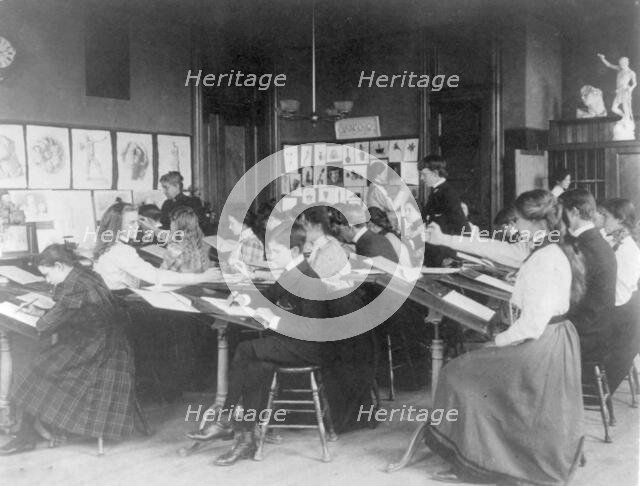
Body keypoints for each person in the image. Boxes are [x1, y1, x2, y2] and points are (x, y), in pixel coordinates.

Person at [423, 189, 586, 484]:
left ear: (537, 225)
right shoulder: (543, 247)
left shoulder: (545, 259)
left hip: (539, 347)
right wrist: (443, 239)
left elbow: (532, 325)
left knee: (457, 373)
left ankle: (473, 460)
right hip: (550, 344)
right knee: (467, 371)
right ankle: (478, 450)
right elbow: (493, 249)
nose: (514, 230)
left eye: (518, 223)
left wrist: (496, 342)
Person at [197, 223, 330, 466]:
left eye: (276, 252)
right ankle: (246, 439)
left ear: (294, 251)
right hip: (289, 343)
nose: (270, 258)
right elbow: (267, 299)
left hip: (307, 348)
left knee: (245, 349)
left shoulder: (309, 279)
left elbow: (312, 330)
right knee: (256, 367)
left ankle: (225, 418)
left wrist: (274, 319)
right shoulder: (290, 273)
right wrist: (242, 289)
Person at [0, 244, 135, 455]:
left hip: (95, 350)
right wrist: (43, 311)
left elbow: (43, 327)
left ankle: (26, 437)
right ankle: (38, 428)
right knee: (42, 363)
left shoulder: (74, 288)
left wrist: (34, 316)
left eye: (47, 274)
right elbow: (72, 310)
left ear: (60, 266)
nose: (47, 280)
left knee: (32, 368)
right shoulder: (87, 275)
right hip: (113, 345)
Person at [93, 202, 218, 289]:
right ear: (117, 225)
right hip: (122, 301)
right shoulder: (122, 251)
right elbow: (156, 276)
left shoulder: (107, 245)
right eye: (131, 223)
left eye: (137, 222)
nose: (137, 227)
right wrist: (201, 278)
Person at [559, 189, 617, 366]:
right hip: (596, 328)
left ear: (575, 212)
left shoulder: (586, 246)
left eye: (562, 213)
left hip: (587, 335)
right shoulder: (593, 240)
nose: (559, 219)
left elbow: (571, 296)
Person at [599, 198, 640, 392]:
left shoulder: (627, 251)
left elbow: (617, 298)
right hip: (615, 312)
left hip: (620, 321)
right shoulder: (612, 238)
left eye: (605, 216)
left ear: (621, 220)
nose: (601, 219)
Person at [419, 155, 469, 235]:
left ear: (435, 173)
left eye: (424, 174)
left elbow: (461, 224)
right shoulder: (436, 191)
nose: (421, 178)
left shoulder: (447, 193)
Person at [298, 205, 351, 278]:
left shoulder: (329, 249)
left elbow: (313, 279)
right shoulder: (314, 244)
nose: (301, 229)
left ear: (318, 226)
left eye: (305, 224)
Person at [162, 206, 211, 273]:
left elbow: (162, 270)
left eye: (171, 221)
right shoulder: (202, 243)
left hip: (180, 281)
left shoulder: (174, 247)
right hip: (199, 280)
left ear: (176, 225)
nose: (170, 224)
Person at [366, 161, 409, 231]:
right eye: (384, 173)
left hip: (377, 221)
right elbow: (392, 207)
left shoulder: (373, 186)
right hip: (378, 224)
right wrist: (402, 190)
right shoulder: (377, 188)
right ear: (378, 175)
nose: (386, 175)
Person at [598, 54, 637, 120]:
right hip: (619, 91)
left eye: (622, 64)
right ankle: (625, 117)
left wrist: (631, 88)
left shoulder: (631, 72)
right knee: (613, 108)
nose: (621, 65)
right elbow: (609, 65)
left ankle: (627, 120)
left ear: (626, 63)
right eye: (620, 64)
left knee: (625, 108)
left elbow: (635, 83)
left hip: (625, 91)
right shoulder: (619, 69)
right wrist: (602, 59)